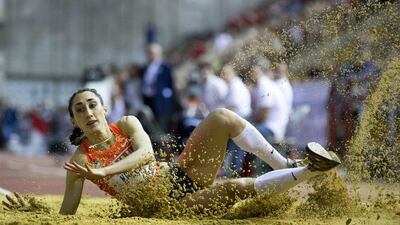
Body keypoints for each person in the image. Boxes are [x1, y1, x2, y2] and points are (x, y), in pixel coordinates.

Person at [2, 88, 341, 215]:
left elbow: (147, 154)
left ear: (104, 109)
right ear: (74, 119)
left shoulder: (129, 123)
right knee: (235, 188)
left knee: (221, 117)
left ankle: (287, 162)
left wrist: (104, 173)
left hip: (180, 174)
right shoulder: (80, 161)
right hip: (167, 206)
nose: (88, 112)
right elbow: (67, 213)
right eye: (80, 110)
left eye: (92, 105)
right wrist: (30, 206)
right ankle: (310, 170)